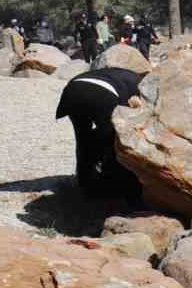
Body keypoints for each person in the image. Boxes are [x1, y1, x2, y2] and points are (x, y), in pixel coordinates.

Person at [55, 67, 146, 200]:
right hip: (101, 94)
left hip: (72, 90)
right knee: (112, 139)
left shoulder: (123, 74)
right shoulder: (140, 85)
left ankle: (84, 183)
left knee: (82, 138)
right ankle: (112, 186)